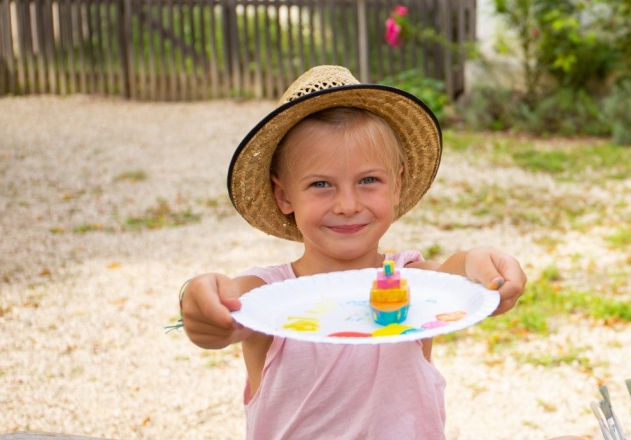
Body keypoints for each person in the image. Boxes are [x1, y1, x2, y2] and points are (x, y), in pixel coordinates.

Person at [177, 65, 526, 439]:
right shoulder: (270, 294)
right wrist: (197, 298)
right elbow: (225, 299)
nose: (347, 204)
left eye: (368, 180)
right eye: (321, 184)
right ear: (284, 196)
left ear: (398, 185)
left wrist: (479, 261)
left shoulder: (406, 280)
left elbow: (454, 276)